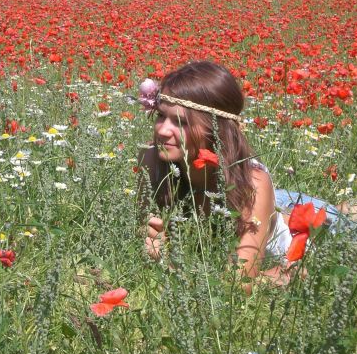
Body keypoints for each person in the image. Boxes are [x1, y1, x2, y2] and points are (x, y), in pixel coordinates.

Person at [136, 61, 344, 287]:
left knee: (341, 228)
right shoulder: (152, 159)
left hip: (293, 233)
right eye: (160, 116)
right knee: (281, 204)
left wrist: (168, 263)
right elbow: (144, 233)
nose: (163, 131)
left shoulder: (251, 183)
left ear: (216, 129)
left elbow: (238, 283)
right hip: (271, 202)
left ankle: (340, 210)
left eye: (181, 122)